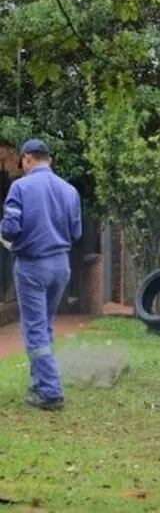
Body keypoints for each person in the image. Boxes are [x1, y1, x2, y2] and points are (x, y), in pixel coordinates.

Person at [1, 139, 82, 410]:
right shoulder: (69, 190)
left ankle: (50, 392)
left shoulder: (20, 187)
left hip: (32, 266)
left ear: (26, 159)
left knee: (34, 328)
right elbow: (77, 233)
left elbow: (10, 229)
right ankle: (38, 384)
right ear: (50, 159)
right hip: (61, 266)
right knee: (44, 325)